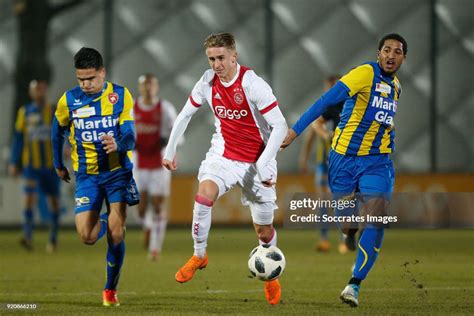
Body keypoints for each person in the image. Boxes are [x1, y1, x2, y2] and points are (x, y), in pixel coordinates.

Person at [282, 33, 407, 307]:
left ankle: (354, 284)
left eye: (397, 52)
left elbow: (384, 120)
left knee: (376, 218)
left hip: (378, 161)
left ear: (403, 58)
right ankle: (348, 233)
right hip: (343, 161)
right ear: (378, 53)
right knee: (348, 222)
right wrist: (295, 130)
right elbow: (325, 102)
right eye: (386, 50)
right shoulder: (363, 74)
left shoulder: (396, 87)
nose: (390, 55)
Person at [162, 32, 288, 305]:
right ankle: (199, 254)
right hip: (223, 156)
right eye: (211, 59)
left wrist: (265, 164)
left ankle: (271, 273)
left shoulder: (253, 84)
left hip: (257, 161)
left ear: (234, 56)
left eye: (221, 58)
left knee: (264, 232)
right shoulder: (207, 82)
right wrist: (170, 151)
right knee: (203, 195)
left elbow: (280, 127)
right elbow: (185, 114)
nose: (216, 64)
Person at [51, 47, 139, 307]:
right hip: (87, 176)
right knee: (87, 237)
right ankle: (107, 217)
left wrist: (119, 144)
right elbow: (56, 131)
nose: (86, 84)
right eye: (81, 79)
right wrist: (58, 163)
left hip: (117, 173)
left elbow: (131, 136)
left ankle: (110, 289)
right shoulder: (68, 100)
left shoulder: (120, 96)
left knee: (116, 234)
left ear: (102, 72)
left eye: (91, 78)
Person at [9, 79, 61, 253]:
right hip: (31, 165)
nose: (38, 92)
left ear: (46, 90)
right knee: (29, 200)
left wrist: (68, 147)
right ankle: (28, 236)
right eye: (35, 90)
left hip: (51, 166)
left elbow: (66, 132)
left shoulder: (54, 111)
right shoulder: (24, 112)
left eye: (41, 89)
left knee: (54, 202)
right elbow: (18, 137)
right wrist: (14, 162)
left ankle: (52, 239)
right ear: (31, 93)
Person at [298, 75, 349, 254]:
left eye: (332, 86)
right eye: (327, 87)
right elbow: (313, 130)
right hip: (324, 162)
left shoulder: (349, 104)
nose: (329, 90)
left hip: (344, 161)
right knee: (324, 200)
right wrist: (304, 157)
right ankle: (324, 239)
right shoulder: (328, 107)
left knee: (341, 200)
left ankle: (345, 238)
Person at [133, 73, 177, 261]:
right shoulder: (131, 109)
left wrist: (168, 142)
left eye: (151, 85)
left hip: (159, 164)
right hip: (138, 163)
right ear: (140, 88)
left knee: (158, 205)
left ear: (156, 87)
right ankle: (148, 226)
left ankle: (154, 249)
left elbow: (178, 131)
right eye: (145, 85)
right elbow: (123, 129)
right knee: (141, 208)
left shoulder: (165, 108)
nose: (148, 88)